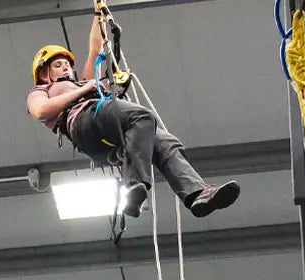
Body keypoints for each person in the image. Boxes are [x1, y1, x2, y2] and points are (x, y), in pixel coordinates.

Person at [26, 16, 239, 220]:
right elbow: (41, 110)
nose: (66, 67)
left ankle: (196, 194)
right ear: (45, 74)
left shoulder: (83, 83)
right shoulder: (43, 90)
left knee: (165, 141)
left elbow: (96, 48)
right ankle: (133, 185)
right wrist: (87, 89)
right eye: (58, 65)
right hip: (84, 122)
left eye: (67, 64)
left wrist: (97, 12)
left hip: (108, 131)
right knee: (142, 117)